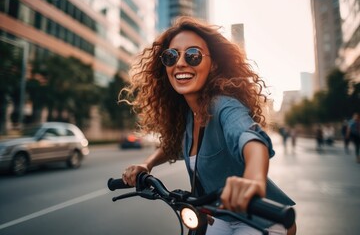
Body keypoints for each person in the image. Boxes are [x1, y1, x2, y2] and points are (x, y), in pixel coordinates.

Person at [119, 17, 296, 235]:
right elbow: (174, 146)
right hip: (220, 216)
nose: (180, 63)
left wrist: (253, 179)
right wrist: (147, 165)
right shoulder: (187, 115)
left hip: (262, 219)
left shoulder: (224, 104)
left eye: (193, 55)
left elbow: (249, 137)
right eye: (171, 56)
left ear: (214, 65)